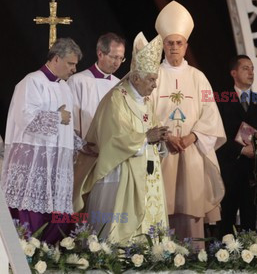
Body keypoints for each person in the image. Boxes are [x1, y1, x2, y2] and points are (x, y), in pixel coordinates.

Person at [74, 33, 169, 243]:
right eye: (151, 80)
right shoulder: (117, 98)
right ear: (136, 78)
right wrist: (145, 138)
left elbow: (151, 133)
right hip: (120, 170)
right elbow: (113, 138)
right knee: (118, 233)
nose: (154, 86)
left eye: (155, 80)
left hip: (147, 171)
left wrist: (160, 139)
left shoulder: (146, 101)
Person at [151, 1, 226, 245]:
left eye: (178, 43)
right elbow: (144, 111)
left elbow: (210, 113)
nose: (174, 48)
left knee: (191, 208)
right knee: (160, 209)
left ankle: (194, 261)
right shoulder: (153, 76)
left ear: (186, 46)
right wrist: (166, 136)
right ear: (162, 45)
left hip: (191, 150)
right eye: (169, 43)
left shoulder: (198, 77)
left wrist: (191, 137)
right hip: (162, 150)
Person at [1, 38, 82, 243]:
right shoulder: (31, 82)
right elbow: (25, 119)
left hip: (57, 165)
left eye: (75, 65)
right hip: (33, 165)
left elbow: (62, 130)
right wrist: (57, 118)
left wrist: (77, 142)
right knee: (30, 211)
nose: (74, 69)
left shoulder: (65, 88)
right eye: (70, 64)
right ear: (56, 58)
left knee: (58, 212)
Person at [216, 55, 257, 237]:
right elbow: (217, 133)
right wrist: (241, 149)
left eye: (252, 68)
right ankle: (223, 254)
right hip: (229, 169)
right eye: (245, 68)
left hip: (255, 172)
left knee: (253, 217)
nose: (251, 72)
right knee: (227, 217)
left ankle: (254, 254)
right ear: (233, 73)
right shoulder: (220, 100)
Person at [68, 32, 126, 138]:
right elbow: (70, 120)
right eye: (114, 57)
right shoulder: (77, 81)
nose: (117, 63)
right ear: (100, 54)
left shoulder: (120, 84)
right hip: (84, 149)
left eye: (121, 58)